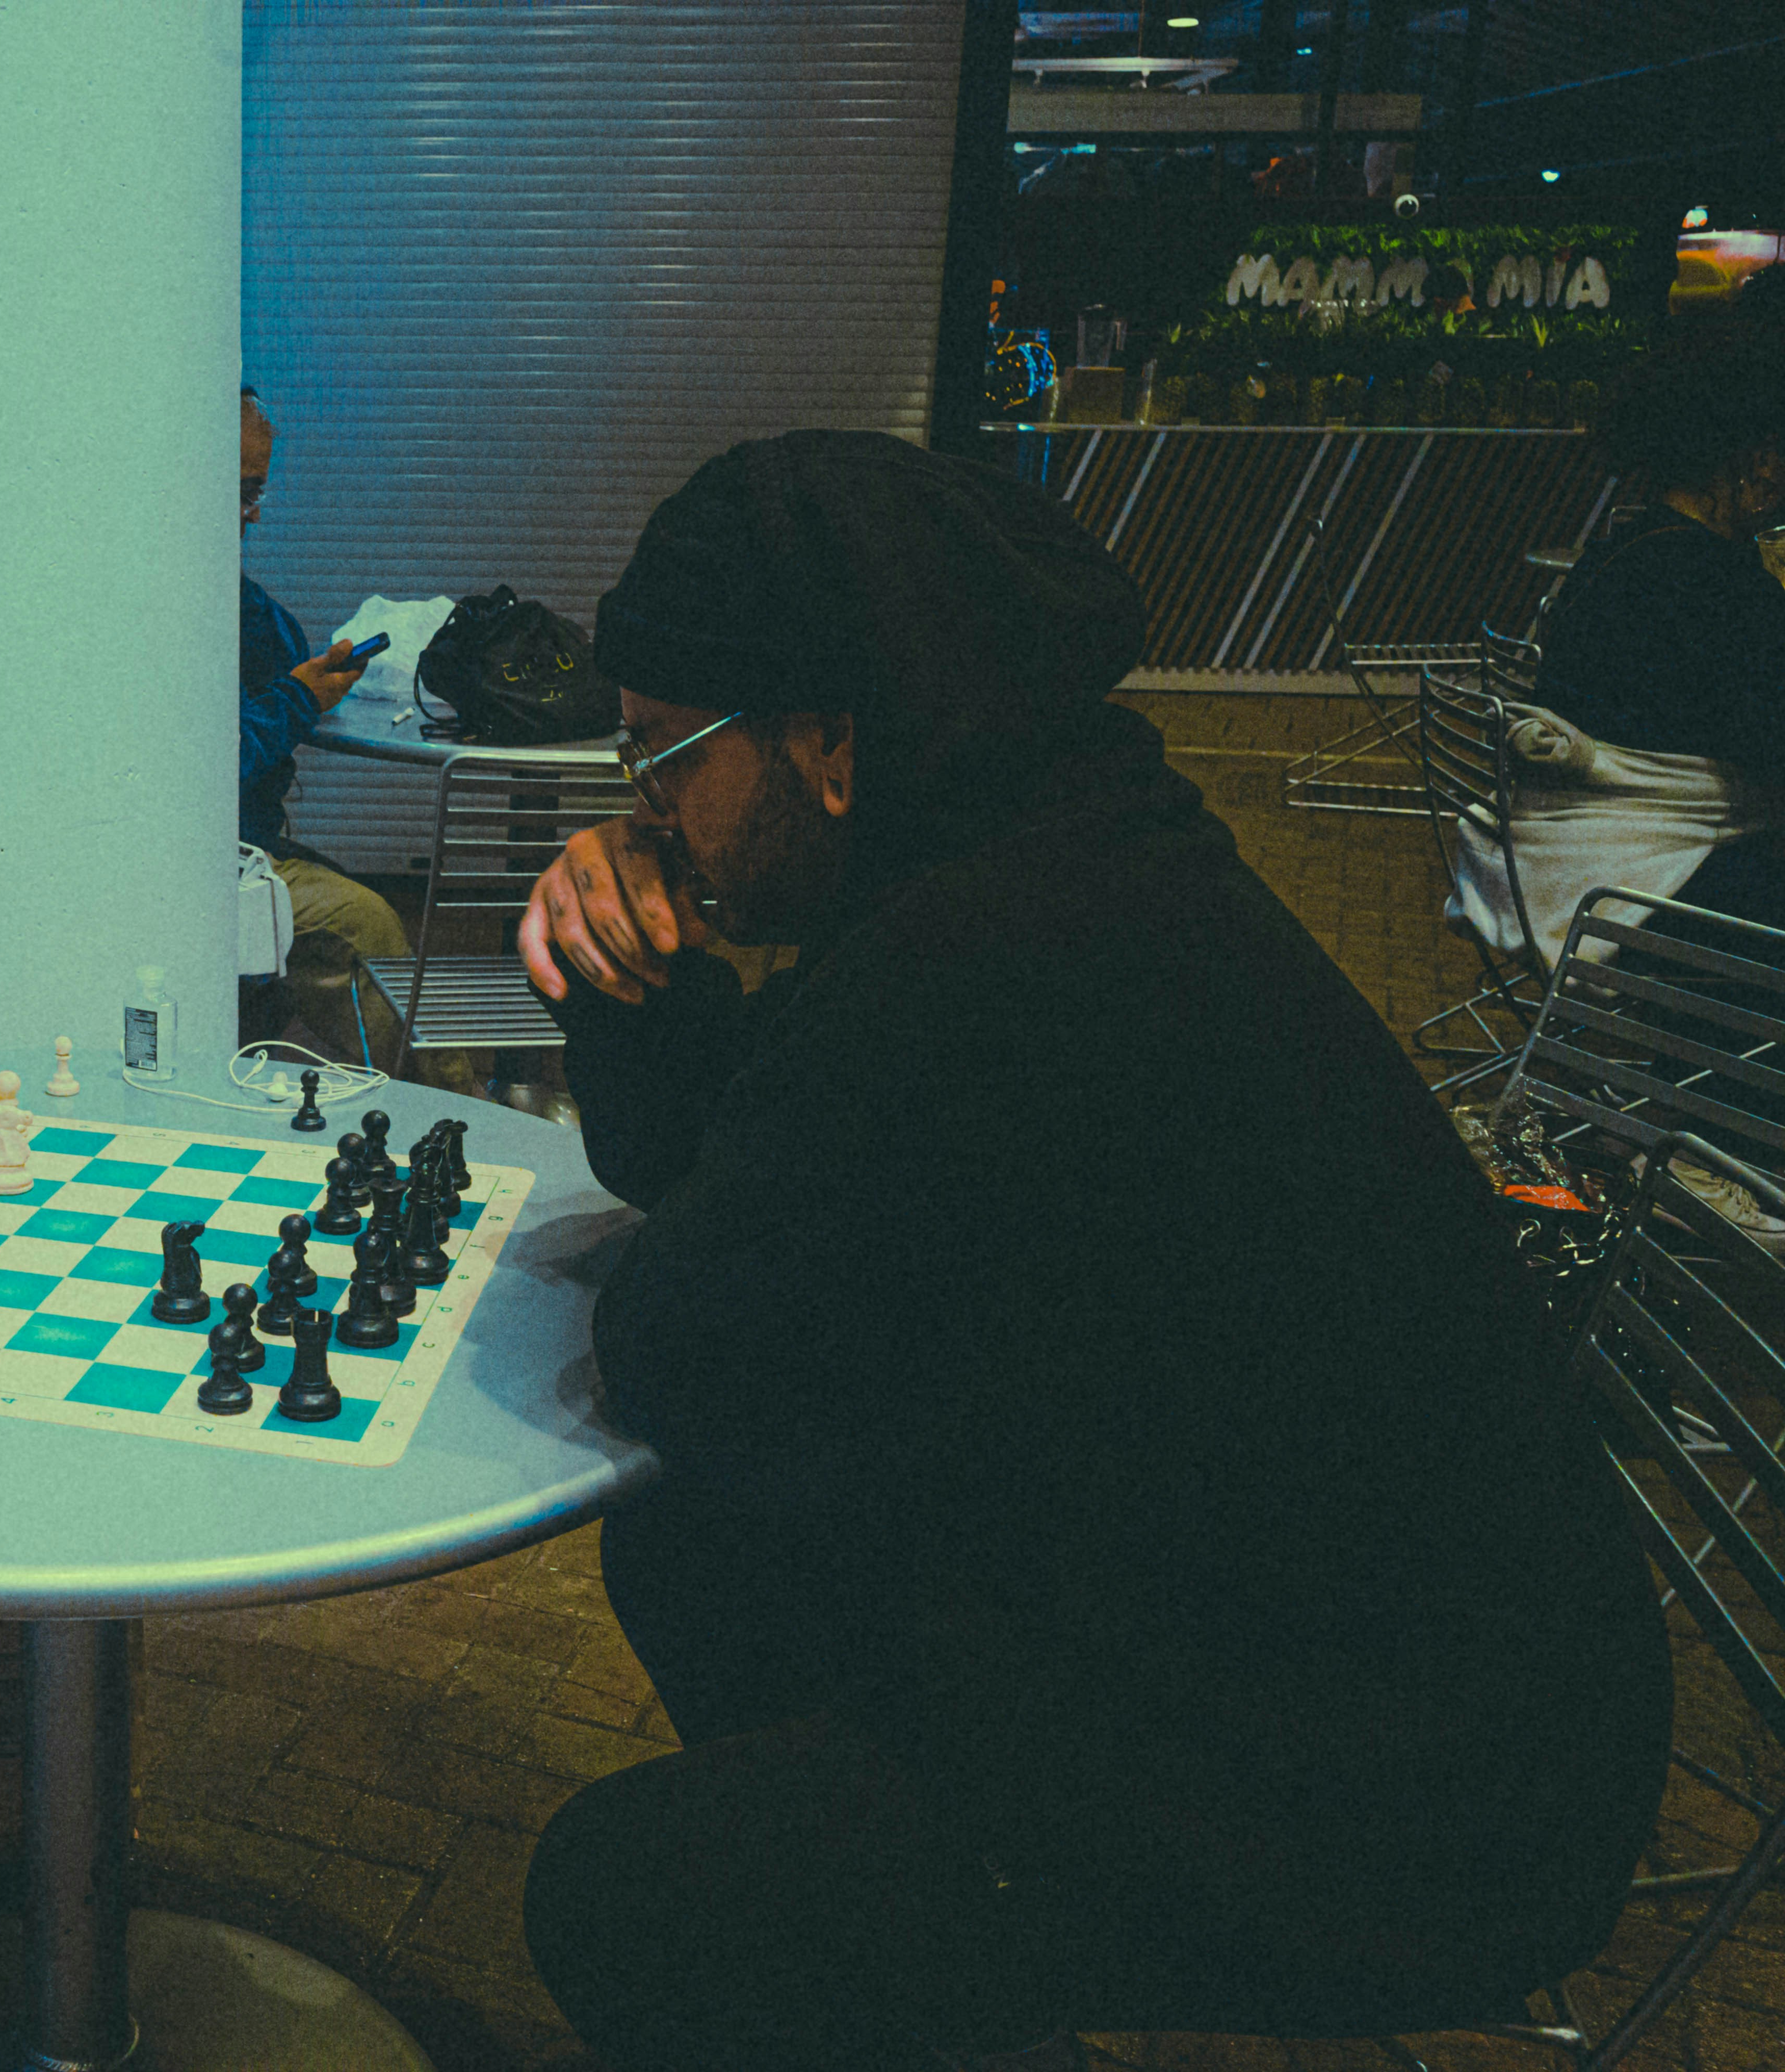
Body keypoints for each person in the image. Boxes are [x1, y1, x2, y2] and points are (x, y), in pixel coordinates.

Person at [509, 432, 1669, 2071]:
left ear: (827, 738)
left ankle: (909, 1947)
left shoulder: (987, 956)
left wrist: (646, 1001)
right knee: (703, 1539)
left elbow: (681, 1352)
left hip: (1403, 1785)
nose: (645, 814)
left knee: (634, 1890)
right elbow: (731, 1201)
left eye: (661, 760)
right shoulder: (1051, 837)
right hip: (1341, 1642)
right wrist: (628, 961)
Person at [1520, 286, 1785, 931]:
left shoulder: (1624, 553)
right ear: (1754, 465)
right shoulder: (1721, 589)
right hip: (1665, 913)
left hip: (1580, 882)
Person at [239, 387, 475, 1091]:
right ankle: (452, 1108)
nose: (255, 513)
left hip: (240, 844)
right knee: (363, 925)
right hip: (203, 857)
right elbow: (202, 762)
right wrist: (297, 698)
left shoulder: (238, 604)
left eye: (259, 492)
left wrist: (299, 682)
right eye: (245, 492)